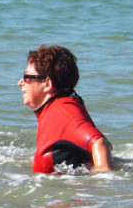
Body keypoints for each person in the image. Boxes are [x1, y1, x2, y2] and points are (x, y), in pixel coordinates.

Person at [20, 45, 112, 174]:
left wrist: (103, 173)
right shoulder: (57, 106)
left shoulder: (63, 111)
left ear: (47, 84)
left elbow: (98, 141)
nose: (20, 82)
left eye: (27, 77)